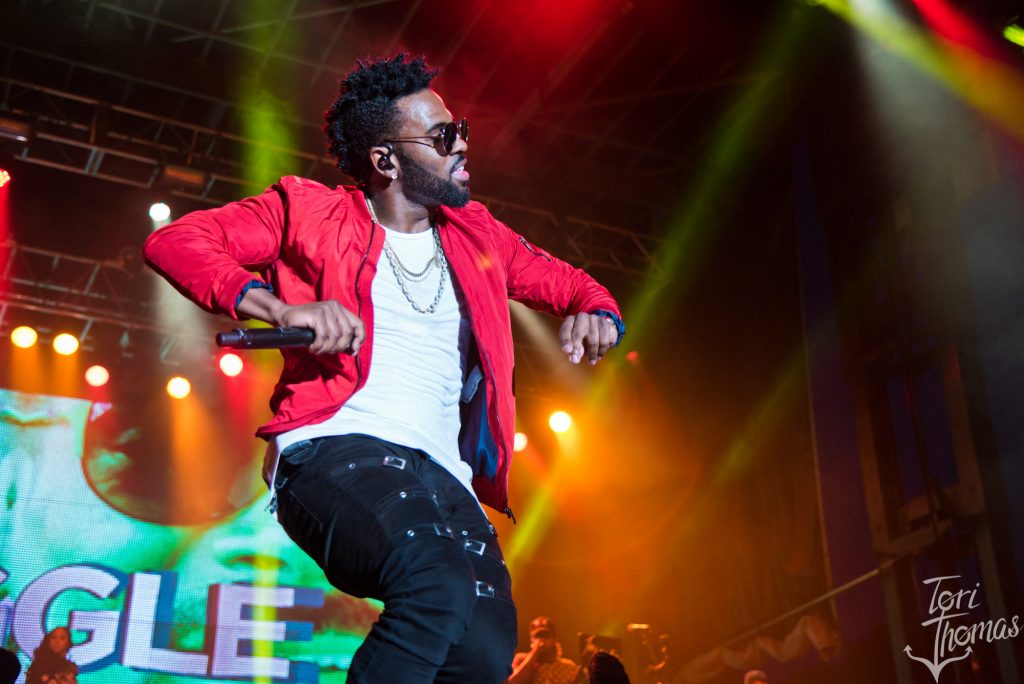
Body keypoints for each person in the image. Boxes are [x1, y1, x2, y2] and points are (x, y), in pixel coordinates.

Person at [142, 53, 624, 684]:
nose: (463, 146)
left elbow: (575, 285)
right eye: (443, 137)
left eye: (462, 130)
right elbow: (177, 242)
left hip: (443, 471)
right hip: (334, 446)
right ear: (385, 161)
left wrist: (600, 315)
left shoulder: (477, 235)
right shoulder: (309, 210)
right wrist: (279, 306)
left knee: (483, 649)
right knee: (435, 583)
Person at [507, 616, 583, 684]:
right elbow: (513, 682)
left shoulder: (568, 667)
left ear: (554, 639)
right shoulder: (521, 659)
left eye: (546, 636)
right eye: (538, 636)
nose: (541, 640)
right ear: (531, 640)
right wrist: (534, 653)